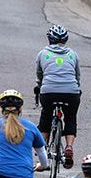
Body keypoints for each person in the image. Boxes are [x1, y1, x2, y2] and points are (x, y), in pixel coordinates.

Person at [35, 24, 81, 169]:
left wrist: (40, 85)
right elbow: (77, 76)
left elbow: (39, 75)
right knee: (70, 118)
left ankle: (41, 147)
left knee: (46, 116)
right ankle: (69, 147)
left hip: (49, 91)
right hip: (71, 92)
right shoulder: (72, 54)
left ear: (49, 39)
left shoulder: (42, 53)